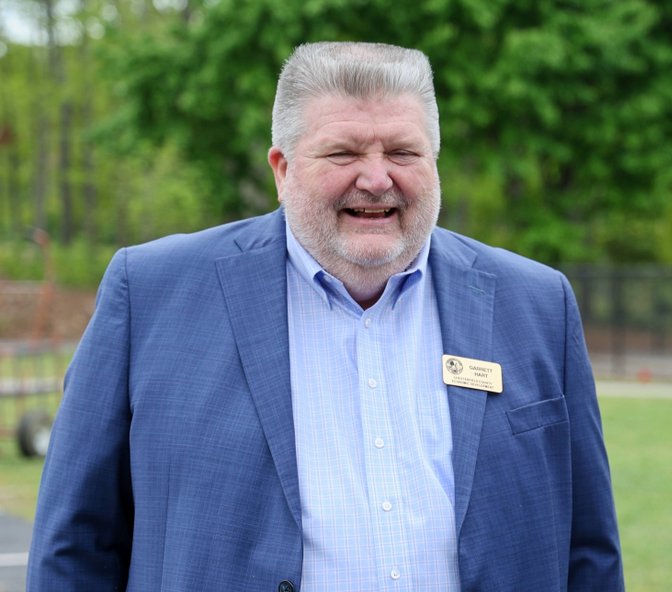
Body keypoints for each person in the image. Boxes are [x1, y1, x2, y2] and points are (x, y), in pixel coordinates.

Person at [27, 42, 624, 591]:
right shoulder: (152, 293)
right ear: (282, 169)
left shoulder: (538, 304)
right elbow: (73, 543)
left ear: (435, 161)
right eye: (342, 152)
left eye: (403, 152)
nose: (376, 177)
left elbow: (588, 553)